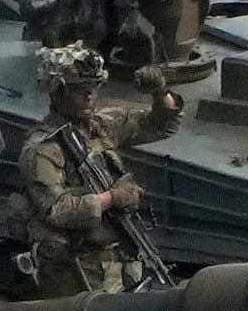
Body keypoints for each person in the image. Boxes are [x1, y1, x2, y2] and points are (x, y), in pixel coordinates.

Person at [16, 45, 181, 297]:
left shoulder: (101, 127)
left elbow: (160, 125)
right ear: (57, 93)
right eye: (80, 91)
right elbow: (55, 210)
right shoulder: (43, 149)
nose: (90, 97)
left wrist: (159, 92)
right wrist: (111, 198)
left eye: (94, 88)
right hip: (76, 269)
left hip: (116, 258)